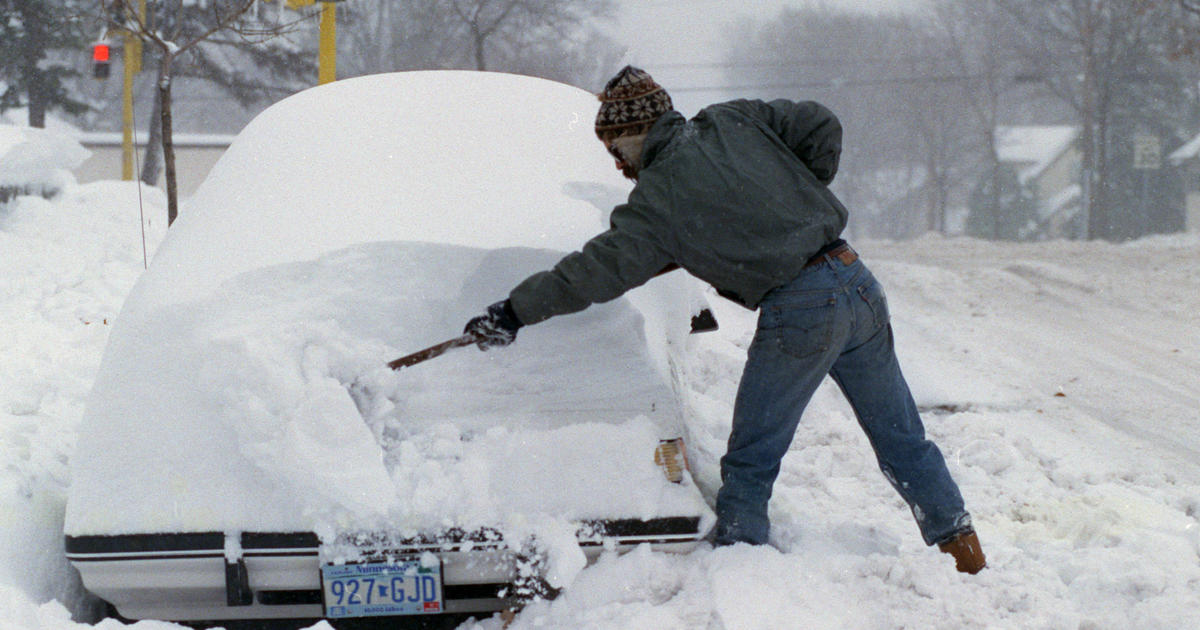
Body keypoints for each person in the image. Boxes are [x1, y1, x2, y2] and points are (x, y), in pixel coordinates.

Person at [462, 66, 986, 574]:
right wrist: (797, 195)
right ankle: (963, 550)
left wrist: (515, 311)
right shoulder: (734, 118)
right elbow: (820, 122)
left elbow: (595, 271)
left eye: (616, 149)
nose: (618, 165)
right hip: (855, 280)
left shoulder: (659, 198)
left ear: (635, 132)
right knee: (901, 437)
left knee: (753, 454)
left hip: (801, 308)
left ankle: (739, 566)